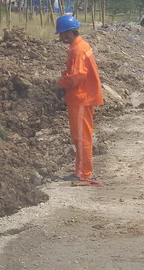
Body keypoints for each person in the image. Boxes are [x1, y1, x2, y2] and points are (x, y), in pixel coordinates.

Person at [54, 15, 104, 185]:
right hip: (81, 97)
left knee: (81, 137)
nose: (60, 38)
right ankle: (80, 171)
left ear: (69, 33)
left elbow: (77, 76)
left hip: (81, 97)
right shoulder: (80, 46)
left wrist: (60, 83)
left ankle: (84, 173)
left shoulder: (78, 50)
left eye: (61, 34)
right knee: (80, 136)